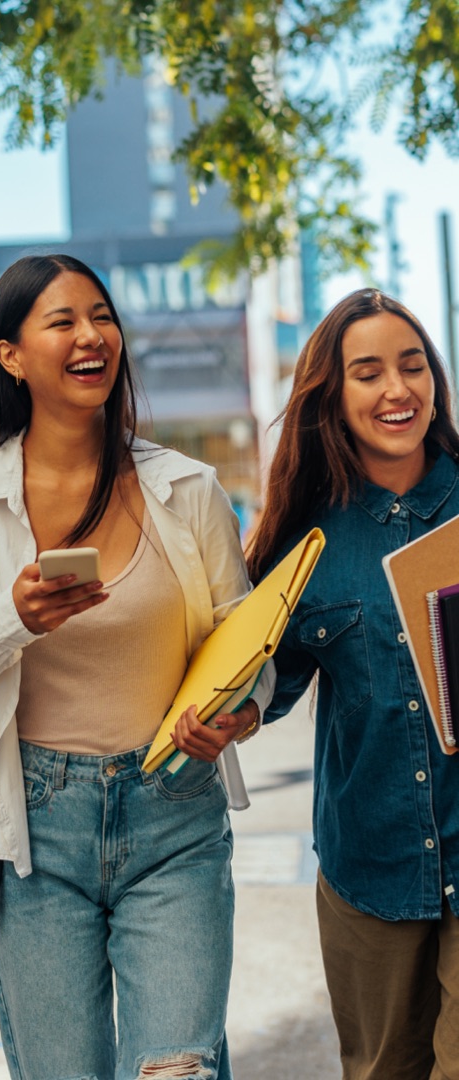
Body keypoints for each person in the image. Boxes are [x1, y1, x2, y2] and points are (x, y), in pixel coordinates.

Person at [0, 254, 270, 1080]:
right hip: (36, 829)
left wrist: (239, 713)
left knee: (177, 1071)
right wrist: (16, 619)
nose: (91, 335)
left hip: (174, 812)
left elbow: (247, 650)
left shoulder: (189, 489)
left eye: (102, 316)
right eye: (63, 320)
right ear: (10, 355)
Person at [246, 289, 459, 1080]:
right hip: (369, 866)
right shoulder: (305, 541)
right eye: (367, 373)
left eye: (412, 366)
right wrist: (227, 717)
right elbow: (267, 681)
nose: (396, 389)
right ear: (332, 395)